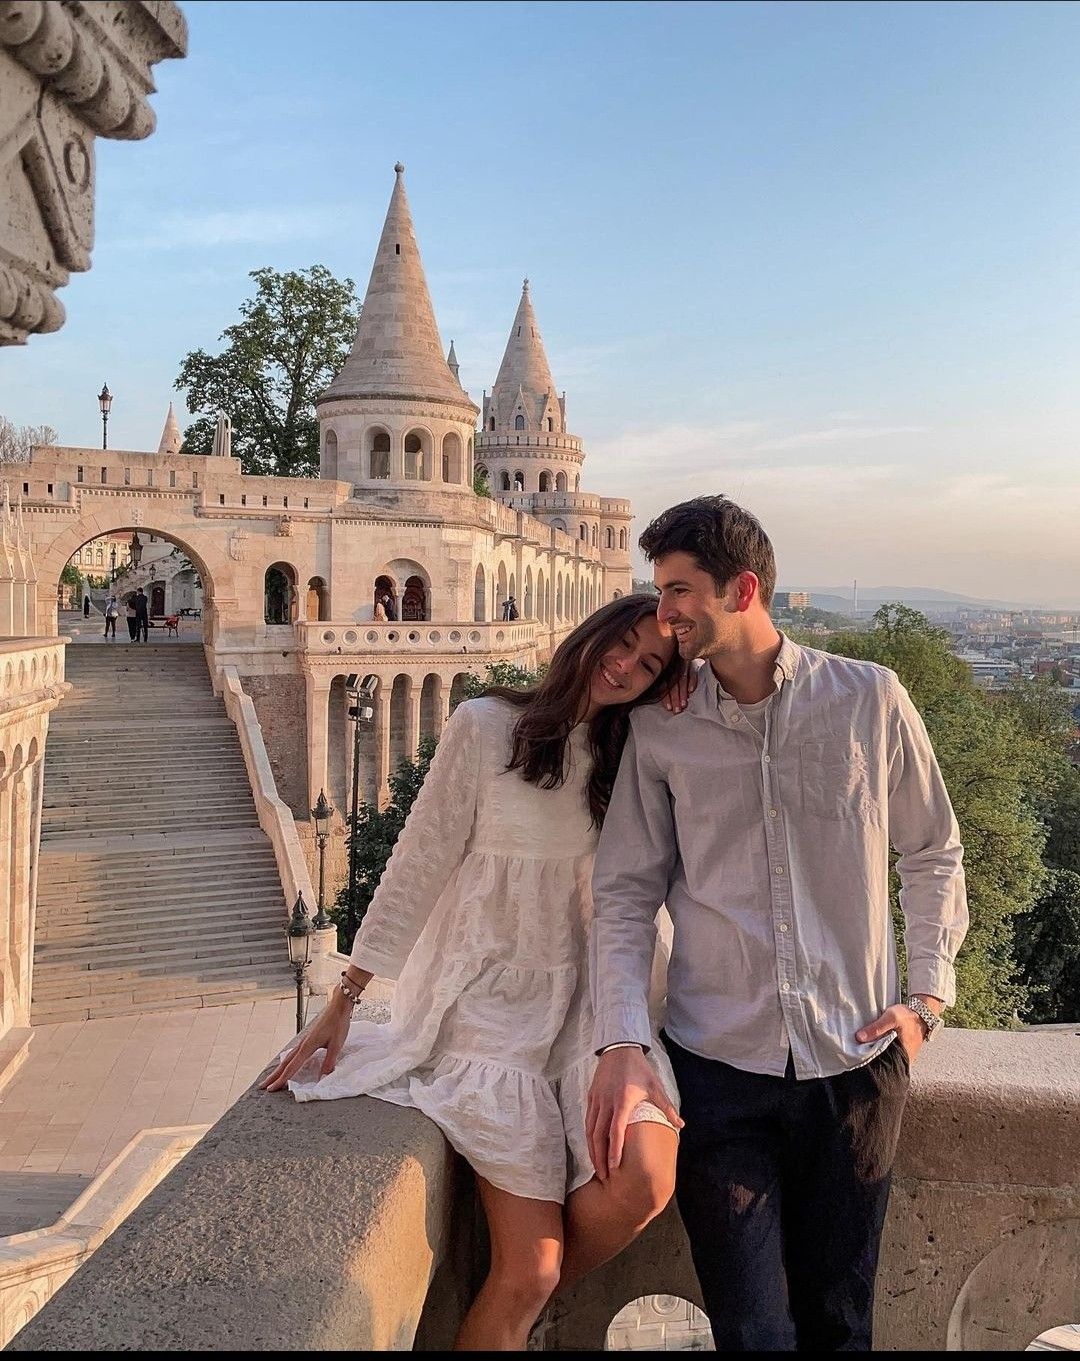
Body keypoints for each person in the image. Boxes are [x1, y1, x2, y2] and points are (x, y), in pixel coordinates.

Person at [587, 495, 969, 1353]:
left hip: (854, 1066)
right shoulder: (662, 727)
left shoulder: (868, 698)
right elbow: (623, 894)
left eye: (679, 589)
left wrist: (927, 999)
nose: (664, 612)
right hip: (717, 1072)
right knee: (751, 1328)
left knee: (840, 1322)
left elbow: (933, 851)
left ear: (743, 588)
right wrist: (621, 1039)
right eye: (660, 589)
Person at [262, 596, 685, 1351]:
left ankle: (514, 1313)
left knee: (645, 1179)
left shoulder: (634, 750)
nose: (626, 666)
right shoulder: (486, 725)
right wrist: (346, 997)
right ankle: (515, 1312)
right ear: (589, 636)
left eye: (651, 664)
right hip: (492, 1007)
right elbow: (419, 860)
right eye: (622, 644)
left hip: (594, 1006)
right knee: (530, 1270)